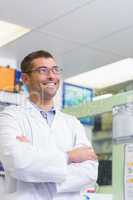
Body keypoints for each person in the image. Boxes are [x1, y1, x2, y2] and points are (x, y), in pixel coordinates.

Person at [0, 50, 98, 200]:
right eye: (43, 70)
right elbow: (18, 162)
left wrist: (37, 168)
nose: (52, 76)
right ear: (25, 78)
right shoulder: (10, 117)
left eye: (55, 70)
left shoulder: (72, 123)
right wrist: (69, 157)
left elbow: (90, 171)